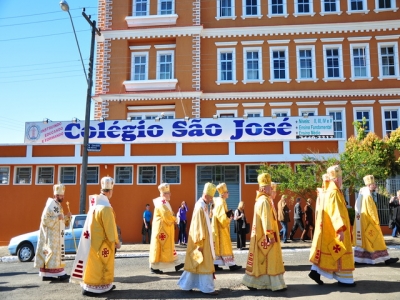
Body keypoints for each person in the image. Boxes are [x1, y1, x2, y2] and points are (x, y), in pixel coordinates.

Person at [70, 176, 121, 296]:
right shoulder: (106, 208)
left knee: (92, 264)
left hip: (92, 243)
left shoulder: (95, 205)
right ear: (110, 191)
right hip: (103, 243)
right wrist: (116, 241)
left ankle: (88, 285)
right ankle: (99, 287)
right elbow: (110, 228)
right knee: (101, 265)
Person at [309, 165, 355, 287]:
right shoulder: (334, 192)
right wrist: (340, 229)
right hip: (337, 228)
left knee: (327, 252)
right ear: (335, 179)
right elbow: (336, 212)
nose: (341, 181)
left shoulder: (329, 191)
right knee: (338, 253)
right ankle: (345, 280)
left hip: (328, 229)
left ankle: (315, 271)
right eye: (340, 178)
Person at [242, 173, 286, 291]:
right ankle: (274, 284)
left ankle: (253, 282)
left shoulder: (260, 200)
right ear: (262, 188)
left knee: (259, 261)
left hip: (260, 236)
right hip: (266, 237)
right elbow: (266, 219)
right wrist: (270, 235)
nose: (270, 189)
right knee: (269, 260)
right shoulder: (265, 201)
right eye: (268, 187)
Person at [177, 182, 219, 295]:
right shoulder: (200, 207)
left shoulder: (203, 205)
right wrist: (200, 244)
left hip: (202, 240)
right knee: (204, 264)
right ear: (206, 196)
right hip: (201, 241)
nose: (211, 200)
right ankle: (207, 288)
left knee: (195, 263)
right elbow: (198, 226)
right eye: (211, 198)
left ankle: (187, 285)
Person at [353, 175, 399, 265]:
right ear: (369, 185)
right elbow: (371, 210)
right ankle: (386, 259)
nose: (375, 185)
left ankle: (358, 259)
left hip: (361, 223)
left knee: (364, 242)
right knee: (377, 240)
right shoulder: (367, 196)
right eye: (373, 184)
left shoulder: (362, 194)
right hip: (369, 222)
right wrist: (376, 221)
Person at [34, 183, 71, 281]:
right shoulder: (50, 205)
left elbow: (62, 221)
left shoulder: (59, 206)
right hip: (50, 235)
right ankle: (60, 273)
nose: (62, 197)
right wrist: (57, 218)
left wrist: (67, 217)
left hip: (58, 235)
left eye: (63, 195)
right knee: (52, 253)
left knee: (56, 254)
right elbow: (44, 220)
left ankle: (46, 275)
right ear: (56, 195)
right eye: (61, 195)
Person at [149, 183, 184, 274]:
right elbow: (167, 216)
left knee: (168, 247)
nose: (170, 194)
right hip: (161, 231)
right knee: (160, 248)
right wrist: (175, 219)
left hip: (165, 229)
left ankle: (176, 264)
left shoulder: (164, 202)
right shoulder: (161, 203)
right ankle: (154, 267)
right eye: (168, 193)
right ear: (164, 194)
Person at [211, 182, 242, 271]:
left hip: (217, 228)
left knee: (218, 247)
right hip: (221, 228)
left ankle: (215, 265)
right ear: (223, 193)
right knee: (225, 246)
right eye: (227, 192)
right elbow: (222, 218)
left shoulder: (219, 201)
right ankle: (232, 265)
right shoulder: (220, 203)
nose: (229, 193)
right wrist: (229, 218)